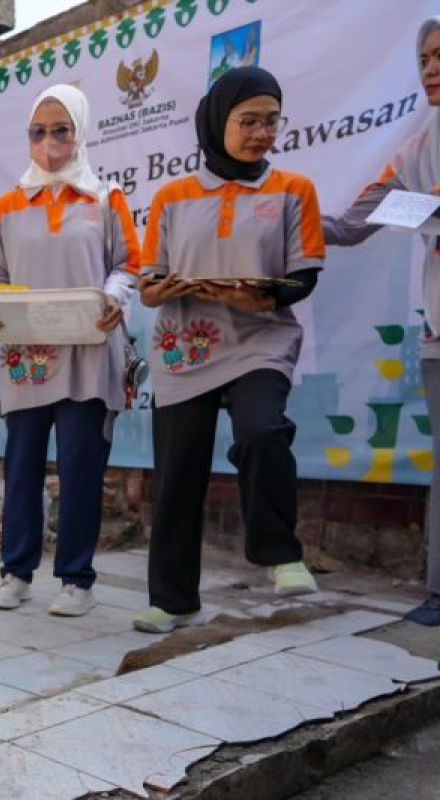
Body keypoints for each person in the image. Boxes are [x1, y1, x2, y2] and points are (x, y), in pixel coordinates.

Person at [134, 66, 323, 634]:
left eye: (271, 121)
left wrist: (257, 296)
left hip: (259, 339)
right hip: (185, 346)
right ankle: (174, 601)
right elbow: (148, 283)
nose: (263, 132)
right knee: (177, 475)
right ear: (219, 123)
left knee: (263, 430)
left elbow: (305, 274)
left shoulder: (294, 191)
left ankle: (278, 551)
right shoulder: (172, 196)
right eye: (250, 121)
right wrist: (163, 288)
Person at [0, 84, 141, 617]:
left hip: (90, 354)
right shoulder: (7, 205)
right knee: (21, 466)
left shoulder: (106, 198)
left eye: (61, 131)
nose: (49, 143)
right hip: (28, 356)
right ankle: (16, 572)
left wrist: (114, 296)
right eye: (39, 132)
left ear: (81, 134)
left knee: (80, 468)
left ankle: (77, 580)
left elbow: (130, 265)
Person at [322, 17, 440, 627]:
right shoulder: (419, 146)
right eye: (423, 57)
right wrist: (300, 223)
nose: (430, 67)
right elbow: (356, 220)